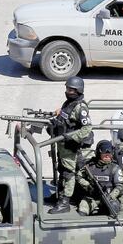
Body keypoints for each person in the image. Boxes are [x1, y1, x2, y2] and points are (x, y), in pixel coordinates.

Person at [48, 76, 93, 214]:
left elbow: (87, 128)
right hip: (62, 145)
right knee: (62, 170)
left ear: (78, 91)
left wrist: (70, 136)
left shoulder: (81, 107)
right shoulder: (68, 103)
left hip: (70, 146)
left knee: (68, 173)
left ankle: (65, 202)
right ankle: (60, 196)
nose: (67, 91)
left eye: (71, 90)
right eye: (67, 89)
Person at [75, 140, 123, 216]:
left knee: (114, 207)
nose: (107, 155)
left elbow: (119, 186)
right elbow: (78, 176)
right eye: (104, 153)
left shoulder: (115, 168)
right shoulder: (89, 166)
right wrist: (88, 186)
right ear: (99, 153)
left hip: (109, 197)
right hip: (92, 198)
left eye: (109, 153)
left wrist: (110, 197)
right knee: (83, 208)